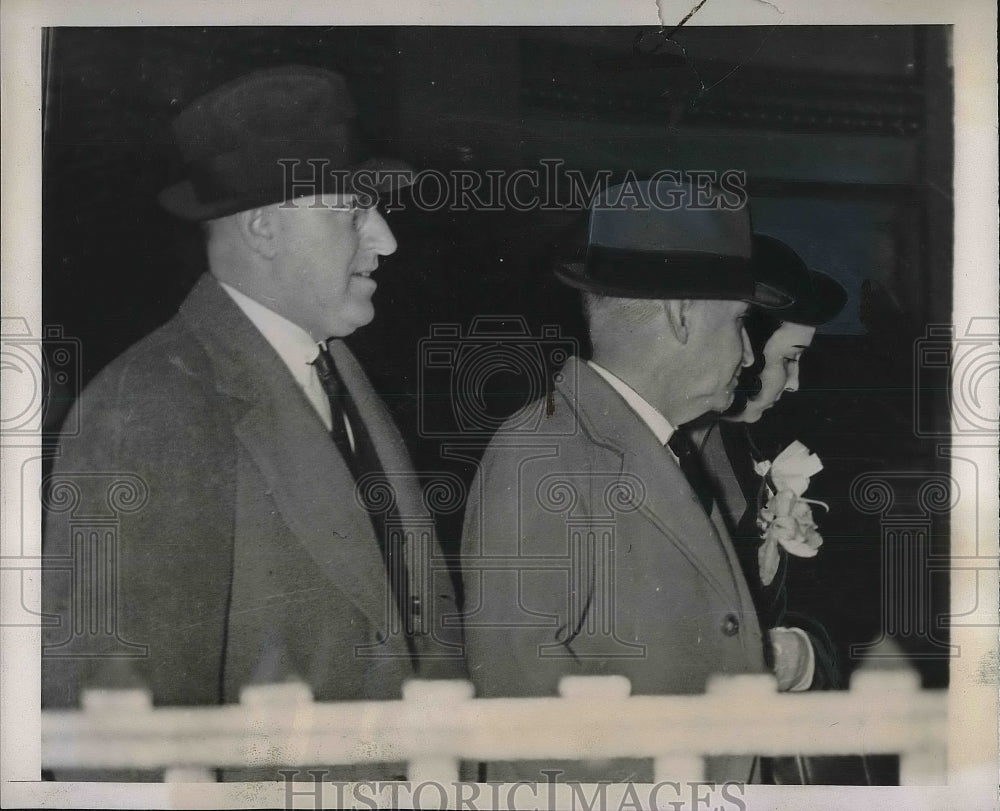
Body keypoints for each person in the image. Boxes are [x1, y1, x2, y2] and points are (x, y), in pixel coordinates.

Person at [41, 66, 464, 780]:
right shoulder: (150, 407)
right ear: (264, 226)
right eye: (352, 209)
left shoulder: (340, 377)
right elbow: (115, 755)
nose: (386, 239)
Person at [460, 178, 799, 784]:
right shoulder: (542, 453)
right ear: (680, 314)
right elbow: (526, 715)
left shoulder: (656, 444)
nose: (748, 354)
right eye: (739, 323)